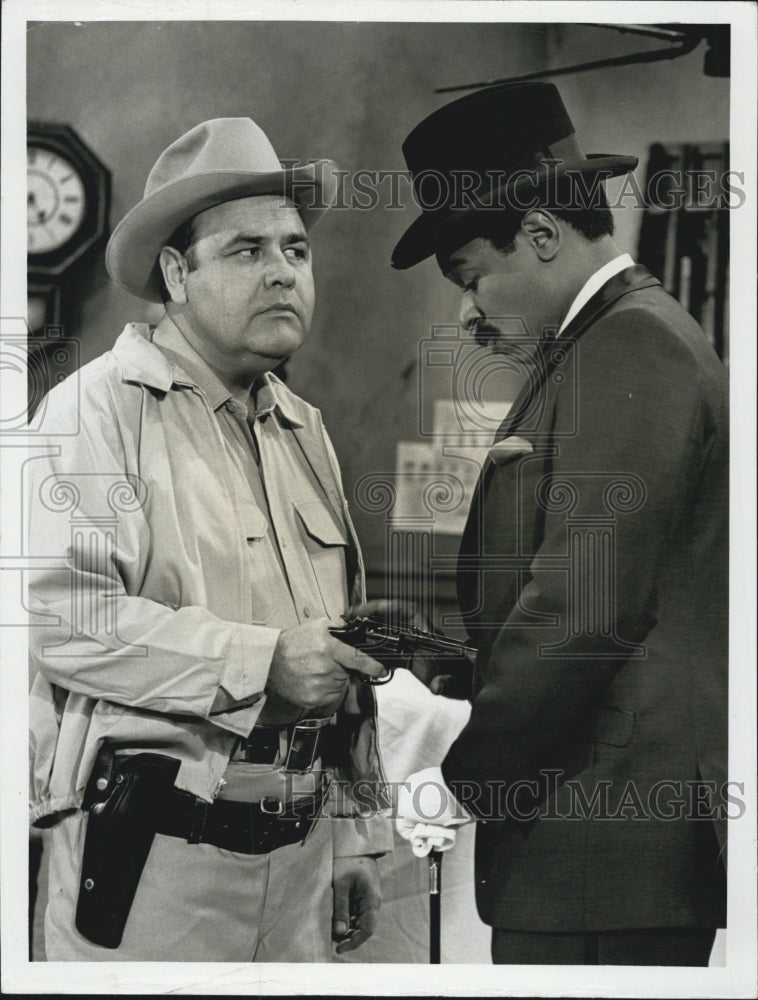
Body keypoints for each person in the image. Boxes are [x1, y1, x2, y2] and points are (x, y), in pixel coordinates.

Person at [27, 117, 394, 962]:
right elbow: (59, 620)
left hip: (300, 867)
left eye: (297, 251)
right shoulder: (97, 412)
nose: (282, 274)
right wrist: (260, 660)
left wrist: (353, 836)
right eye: (246, 251)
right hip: (158, 869)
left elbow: (335, 655)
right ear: (175, 275)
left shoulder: (304, 428)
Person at [392, 82, 728, 966]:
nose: (468, 314)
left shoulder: (631, 345)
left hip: (600, 845)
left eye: (472, 278)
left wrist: (458, 781)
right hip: (598, 845)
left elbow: (581, 610)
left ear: (540, 234)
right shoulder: (616, 341)